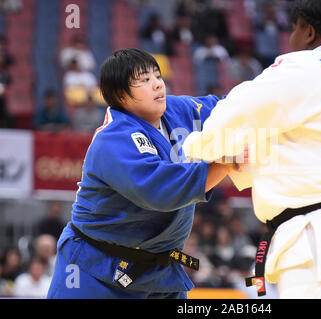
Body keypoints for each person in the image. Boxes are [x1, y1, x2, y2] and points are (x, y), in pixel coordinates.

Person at [183, 0, 321, 299]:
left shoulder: (304, 67)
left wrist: (190, 152)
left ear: (308, 32)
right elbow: (304, 143)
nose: (289, 39)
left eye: (293, 29)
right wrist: (236, 161)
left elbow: (235, 116)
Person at [46, 48, 235, 299]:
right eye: (144, 80)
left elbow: (228, 110)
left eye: (157, 76)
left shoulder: (177, 110)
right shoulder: (113, 138)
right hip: (95, 270)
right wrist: (229, 161)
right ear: (121, 95)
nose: (157, 84)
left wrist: (267, 96)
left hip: (160, 273)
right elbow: (162, 190)